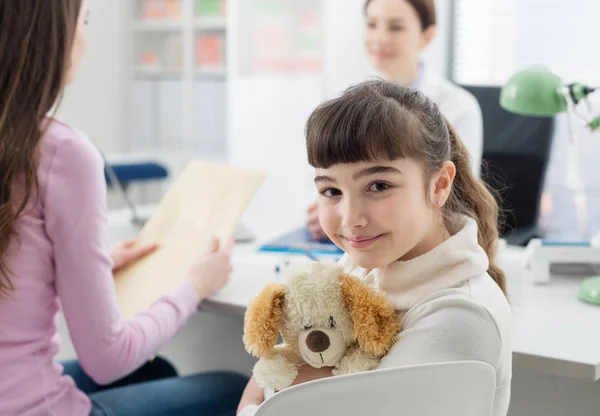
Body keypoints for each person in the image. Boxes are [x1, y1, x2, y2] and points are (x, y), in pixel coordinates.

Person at [0, 1, 246, 415]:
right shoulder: (60, 153)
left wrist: (85, 269)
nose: (86, 38)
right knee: (232, 388)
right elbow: (107, 357)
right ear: (50, 37)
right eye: (85, 21)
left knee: (156, 370)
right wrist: (194, 287)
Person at [237, 81, 511, 416]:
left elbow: (275, 389)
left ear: (438, 185)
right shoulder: (368, 262)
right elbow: (271, 376)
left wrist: (264, 398)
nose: (351, 219)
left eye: (378, 186)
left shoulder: (460, 317)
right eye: (331, 191)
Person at [307, 0, 483, 240]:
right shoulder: (347, 105)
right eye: (372, 24)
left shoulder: (458, 107)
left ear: (426, 36)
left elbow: (457, 199)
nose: (380, 38)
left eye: (396, 27)